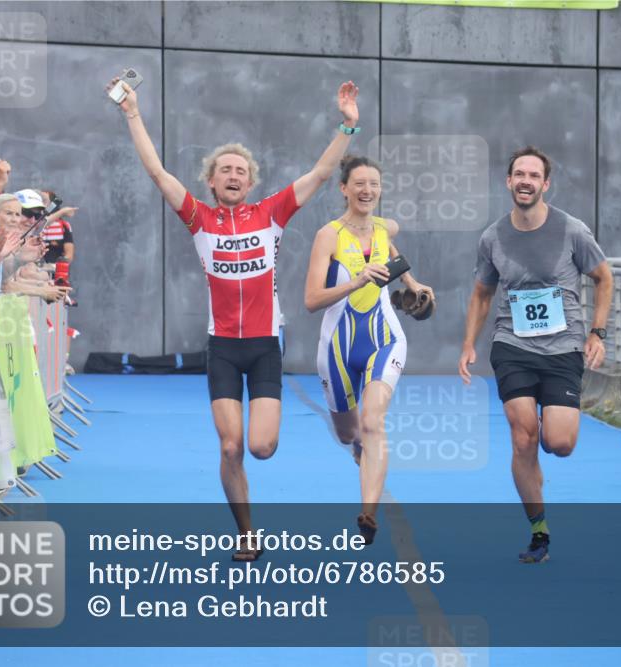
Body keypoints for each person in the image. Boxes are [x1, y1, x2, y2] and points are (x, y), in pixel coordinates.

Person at [109, 75, 363, 560]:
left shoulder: (270, 213)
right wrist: (132, 114)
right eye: (223, 169)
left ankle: (343, 441)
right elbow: (159, 174)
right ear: (211, 180)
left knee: (262, 447)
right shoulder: (199, 217)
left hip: (265, 345)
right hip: (223, 347)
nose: (231, 175)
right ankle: (247, 534)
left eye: (239, 170)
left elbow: (318, 175)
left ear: (250, 181)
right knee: (231, 448)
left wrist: (346, 127)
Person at [458, 146, 613, 564]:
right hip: (513, 346)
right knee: (522, 436)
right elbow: (482, 292)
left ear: (546, 184)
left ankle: (550, 421)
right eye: (518, 174)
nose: (525, 181)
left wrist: (597, 332)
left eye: (533, 175)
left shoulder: (572, 230)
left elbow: (603, 278)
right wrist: (470, 342)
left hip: (563, 348)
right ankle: (539, 531)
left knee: (558, 443)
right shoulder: (492, 237)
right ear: (508, 182)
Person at [304, 156, 434, 543]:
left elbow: (391, 249)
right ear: (343, 188)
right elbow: (312, 300)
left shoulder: (382, 228)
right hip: (338, 347)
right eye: (359, 183)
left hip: (384, 339)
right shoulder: (328, 235)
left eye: (374, 184)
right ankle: (358, 442)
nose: (367, 190)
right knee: (349, 434)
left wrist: (412, 283)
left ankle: (368, 513)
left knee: (374, 420)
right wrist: (358, 280)